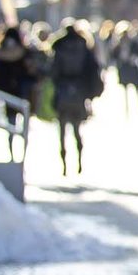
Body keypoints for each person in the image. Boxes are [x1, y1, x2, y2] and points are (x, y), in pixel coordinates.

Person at [47, 22, 104, 176]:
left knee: (62, 130)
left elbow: (53, 72)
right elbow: (93, 69)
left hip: (63, 91)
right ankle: (79, 161)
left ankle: (64, 164)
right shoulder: (84, 47)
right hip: (79, 92)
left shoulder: (59, 48)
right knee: (77, 129)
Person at [0, 24, 42, 145]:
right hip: (21, 90)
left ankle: (11, 144)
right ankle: (24, 144)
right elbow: (32, 72)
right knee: (24, 118)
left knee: (11, 120)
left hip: (6, 91)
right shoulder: (24, 52)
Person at [111, 21, 138, 116]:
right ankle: (127, 110)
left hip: (132, 68)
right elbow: (114, 55)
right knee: (126, 91)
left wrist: (134, 58)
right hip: (124, 69)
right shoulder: (119, 45)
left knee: (136, 89)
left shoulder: (133, 44)